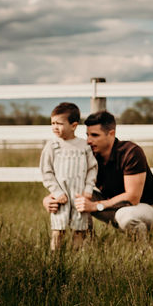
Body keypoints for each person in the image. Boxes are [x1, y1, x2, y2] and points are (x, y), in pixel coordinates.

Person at [43, 110, 153, 236]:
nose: (89, 140)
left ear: (111, 134)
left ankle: (141, 251)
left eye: (95, 135)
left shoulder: (131, 152)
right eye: (87, 135)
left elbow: (132, 198)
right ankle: (87, 244)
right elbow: (70, 182)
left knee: (125, 215)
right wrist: (50, 199)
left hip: (145, 209)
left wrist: (96, 206)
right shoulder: (90, 154)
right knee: (79, 197)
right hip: (112, 205)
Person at [40, 102, 97, 251]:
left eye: (59, 123)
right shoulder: (52, 146)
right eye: (52, 123)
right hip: (61, 196)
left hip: (79, 195)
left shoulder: (84, 146)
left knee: (79, 229)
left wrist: (88, 189)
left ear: (73, 125)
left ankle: (76, 256)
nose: (54, 127)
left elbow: (92, 168)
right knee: (58, 230)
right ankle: (55, 257)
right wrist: (56, 192)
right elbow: (46, 172)